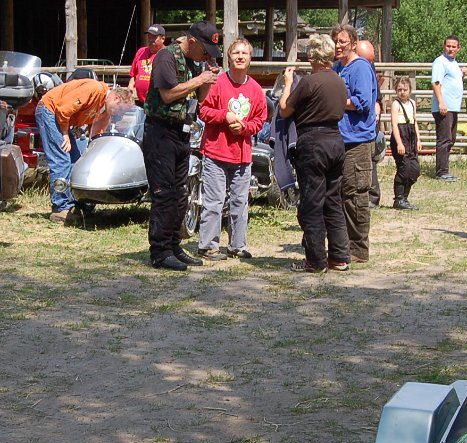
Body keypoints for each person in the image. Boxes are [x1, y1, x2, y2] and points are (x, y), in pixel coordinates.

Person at [143, 20, 221, 271]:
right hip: (161, 133)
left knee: (180, 193)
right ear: (193, 42)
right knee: (164, 194)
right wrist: (199, 79)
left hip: (182, 132)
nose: (207, 54)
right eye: (206, 49)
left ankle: (174, 246)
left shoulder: (194, 61)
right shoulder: (166, 57)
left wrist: (208, 79)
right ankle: (160, 251)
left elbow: (200, 99)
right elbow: (167, 94)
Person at [280, 34, 351, 273]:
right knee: (333, 200)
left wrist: (288, 82)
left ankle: (315, 260)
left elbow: (284, 109)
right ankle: (340, 257)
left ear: (313, 56)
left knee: (312, 203)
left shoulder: (309, 82)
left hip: (312, 142)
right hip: (335, 140)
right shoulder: (340, 81)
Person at [196, 37, 268, 261]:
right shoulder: (217, 83)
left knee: (239, 203)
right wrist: (224, 116)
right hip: (216, 152)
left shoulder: (256, 90)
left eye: (244, 53)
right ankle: (208, 246)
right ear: (229, 57)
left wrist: (244, 127)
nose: (240, 56)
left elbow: (260, 120)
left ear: (250, 58)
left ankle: (237, 246)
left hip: (242, 155)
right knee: (214, 202)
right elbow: (203, 111)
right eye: (236, 53)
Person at [36, 79, 135, 222]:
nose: (118, 115)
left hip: (62, 118)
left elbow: (97, 134)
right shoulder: (94, 89)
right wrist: (65, 134)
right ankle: (60, 208)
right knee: (62, 159)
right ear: (115, 98)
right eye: (120, 110)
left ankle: (78, 203)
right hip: (50, 111)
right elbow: (63, 109)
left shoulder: (105, 111)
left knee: (77, 161)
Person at [331, 24, 378, 263]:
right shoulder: (338, 67)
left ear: (352, 42)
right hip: (340, 139)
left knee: (355, 195)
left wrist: (336, 100)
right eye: (335, 41)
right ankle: (343, 244)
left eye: (342, 41)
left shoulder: (360, 68)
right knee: (340, 194)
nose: (338, 45)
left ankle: (358, 247)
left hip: (357, 141)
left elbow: (364, 102)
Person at [431, 35, 466, 181]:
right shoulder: (440, 62)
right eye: (448, 46)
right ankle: (441, 172)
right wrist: (441, 102)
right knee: (444, 139)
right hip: (444, 106)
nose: (450, 49)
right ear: (444, 46)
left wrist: (462, 74)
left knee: (451, 138)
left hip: (453, 106)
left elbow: (453, 82)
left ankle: (444, 169)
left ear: (459, 48)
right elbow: (436, 82)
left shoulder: (454, 63)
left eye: (454, 46)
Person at [356, 39, 386, 208]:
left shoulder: (368, 65)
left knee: (371, 155)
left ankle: (372, 197)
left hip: (368, 117)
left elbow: (376, 92)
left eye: (371, 61)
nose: (369, 64)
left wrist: (378, 105)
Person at [389, 76, 422, 210]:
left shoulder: (412, 103)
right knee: (404, 168)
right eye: (399, 89)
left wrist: (418, 139)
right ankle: (399, 198)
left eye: (405, 89)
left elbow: (415, 122)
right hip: (400, 135)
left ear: (410, 90)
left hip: (411, 135)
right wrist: (399, 143)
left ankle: (405, 197)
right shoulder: (396, 104)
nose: (402, 92)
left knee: (414, 168)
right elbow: (394, 125)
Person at [127, 24, 167, 104]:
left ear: (162, 39)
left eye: (154, 37)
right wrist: (130, 86)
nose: (150, 40)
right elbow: (134, 74)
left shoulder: (166, 54)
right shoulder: (141, 52)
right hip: (141, 101)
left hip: (158, 104)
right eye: (149, 37)